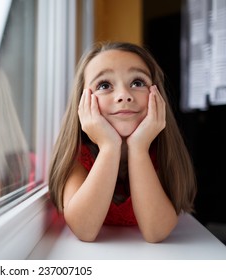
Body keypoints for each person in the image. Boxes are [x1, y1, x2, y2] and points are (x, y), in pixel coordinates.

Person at [48, 42, 197, 243]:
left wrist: (139, 148)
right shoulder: (77, 156)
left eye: (137, 82)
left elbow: (156, 232)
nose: (124, 96)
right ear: (82, 102)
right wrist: (109, 147)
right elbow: (84, 230)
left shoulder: (162, 154)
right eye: (104, 85)